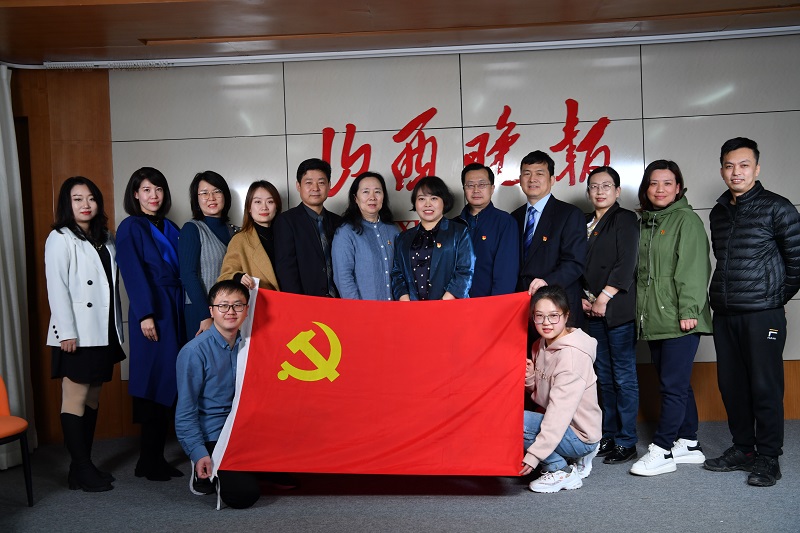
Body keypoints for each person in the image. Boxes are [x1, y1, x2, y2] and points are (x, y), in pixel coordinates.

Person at [704, 137, 800, 487]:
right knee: (732, 386)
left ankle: (768, 457)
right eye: (729, 165)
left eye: (744, 165)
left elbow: (797, 262)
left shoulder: (778, 207)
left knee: (764, 386)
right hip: (726, 313)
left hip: (763, 314)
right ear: (722, 170)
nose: (736, 172)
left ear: (756, 169)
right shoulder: (718, 212)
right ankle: (743, 449)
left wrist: (772, 299)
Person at [629, 160, 712, 477]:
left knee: (672, 388)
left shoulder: (685, 220)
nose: (660, 189)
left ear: (678, 188)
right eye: (654, 183)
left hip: (680, 318)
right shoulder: (647, 223)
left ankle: (662, 449)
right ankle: (688, 442)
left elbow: (694, 268)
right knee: (675, 383)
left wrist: (689, 310)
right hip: (655, 318)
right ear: (646, 189)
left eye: (667, 183)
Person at [45, 176, 126, 492]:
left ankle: (82, 466)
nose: (86, 204)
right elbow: (57, 287)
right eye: (77, 199)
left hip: (102, 328)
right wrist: (66, 332)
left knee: (92, 397)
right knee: (75, 397)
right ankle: (80, 467)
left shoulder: (105, 238)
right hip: (76, 331)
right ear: (68, 204)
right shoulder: (60, 237)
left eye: (91, 198)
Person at [116, 167, 186, 482]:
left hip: (175, 307)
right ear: (135, 194)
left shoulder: (172, 226)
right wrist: (144, 313)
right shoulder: (131, 226)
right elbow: (132, 271)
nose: (153, 196)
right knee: (153, 380)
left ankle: (153, 458)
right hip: (152, 309)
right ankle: (148, 459)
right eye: (146, 190)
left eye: (158, 189)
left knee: (171, 378)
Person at [175, 280, 260, 509]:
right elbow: (185, 412)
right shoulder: (194, 352)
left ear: (247, 310)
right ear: (211, 311)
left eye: (237, 305)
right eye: (223, 305)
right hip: (213, 433)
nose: (230, 311)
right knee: (244, 495)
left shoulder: (251, 346)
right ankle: (203, 469)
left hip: (242, 429)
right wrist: (197, 452)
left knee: (284, 471)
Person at [580, 166, 640, 465]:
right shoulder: (583, 222)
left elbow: (626, 262)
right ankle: (609, 434)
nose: (600, 191)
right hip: (590, 309)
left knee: (623, 377)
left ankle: (627, 440)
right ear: (588, 192)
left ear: (617, 191)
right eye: (594, 186)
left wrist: (604, 297)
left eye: (606, 186)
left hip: (616, 308)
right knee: (603, 376)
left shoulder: (625, 218)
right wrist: (581, 297)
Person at [519, 285, 601, 493]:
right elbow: (544, 395)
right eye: (539, 316)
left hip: (579, 434)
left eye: (554, 316)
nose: (546, 323)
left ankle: (561, 470)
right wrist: (530, 378)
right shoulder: (540, 345)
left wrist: (535, 455)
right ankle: (568, 457)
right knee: (513, 418)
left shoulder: (572, 357)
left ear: (566, 316)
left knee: (515, 422)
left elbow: (558, 413)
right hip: (562, 425)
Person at [512, 151, 586, 328]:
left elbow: (575, 263)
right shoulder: (514, 217)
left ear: (552, 179)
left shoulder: (569, 214)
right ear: (520, 179)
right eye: (527, 173)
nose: (532, 179)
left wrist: (546, 283)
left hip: (558, 305)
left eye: (539, 173)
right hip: (522, 308)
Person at [391, 176, 474, 301]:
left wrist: (443, 303)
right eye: (421, 199)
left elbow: (465, 270)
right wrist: (405, 300)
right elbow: (397, 273)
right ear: (415, 203)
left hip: (449, 306)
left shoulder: (459, 232)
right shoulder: (403, 238)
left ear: (444, 201)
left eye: (434, 198)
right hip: (411, 308)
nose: (427, 204)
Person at [179, 171, 237, 339]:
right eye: (204, 193)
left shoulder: (234, 231)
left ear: (225, 196)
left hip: (230, 310)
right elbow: (188, 275)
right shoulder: (192, 229)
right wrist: (205, 315)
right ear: (196, 199)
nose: (211, 197)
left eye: (217, 191)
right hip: (201, 311)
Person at [273, 158, 342, 296]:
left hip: (340, 301)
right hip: (306, 301)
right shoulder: (286, 221)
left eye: (321, 183)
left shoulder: (339, 222)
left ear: (329, 186)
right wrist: (300, 303)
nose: (315, 188)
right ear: (298, 186)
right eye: (309, 183)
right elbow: (286, 270)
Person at [332, 171, 400, 300]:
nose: (372, 197)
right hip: (363, 309)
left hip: (394, 308)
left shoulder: (393, 230)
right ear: (355, 198)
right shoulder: (346, 232)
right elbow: (343, 278)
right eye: (366, 192)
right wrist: (358, 308)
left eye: (377, 192)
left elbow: (400, 272)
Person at [456, 163, 519, 297]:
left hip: (490, 303)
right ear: (464, 189)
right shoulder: (453, 225)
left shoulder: (505, 222)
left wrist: (496, 305)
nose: (476, 190)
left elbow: (506, 273)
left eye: (482, 184)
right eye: (470, 185)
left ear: (492, 188)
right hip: (456, 302)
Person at [218, 180, 280, 291]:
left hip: (293, 299)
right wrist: (238, 277)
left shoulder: (287, 235)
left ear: (277, 207)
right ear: (249, 208)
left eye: (270, 201)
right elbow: (224, 278)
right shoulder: (240, 240)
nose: (264, 207)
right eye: (258, 202)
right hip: (261, 300)